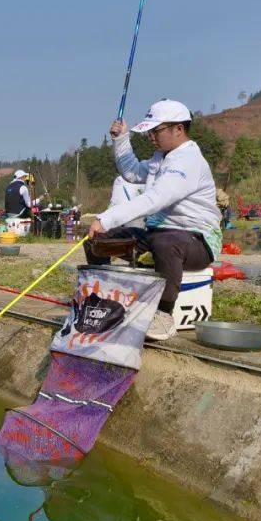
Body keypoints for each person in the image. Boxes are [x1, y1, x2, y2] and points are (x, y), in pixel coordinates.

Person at [86, 99, 221, 341]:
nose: (150, 137)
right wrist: (121, 139)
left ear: (178, 129)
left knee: (166, 243)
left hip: (196, 240)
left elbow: (155, 199)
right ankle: (101, 298)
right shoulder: (161, 158)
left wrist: (106, 218)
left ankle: (163, 314)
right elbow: (132, 172)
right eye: (149, 132)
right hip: (156, 233)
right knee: (97, 239)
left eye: (155, 131)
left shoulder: (188, 160)